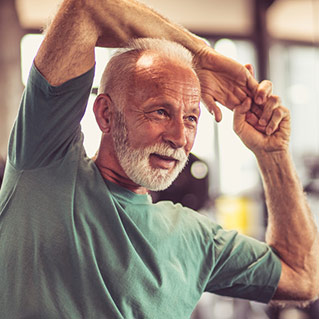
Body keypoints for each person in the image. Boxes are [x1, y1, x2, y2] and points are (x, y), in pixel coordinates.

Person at [0, 0, 318, 318]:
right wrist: (200, 55)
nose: (180, 138)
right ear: (106, 114)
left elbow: (303, 276)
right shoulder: (44, 167)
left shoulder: (196, 240)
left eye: (191, 118)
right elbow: (86, 9)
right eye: (161, 112)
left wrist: (273, 154)